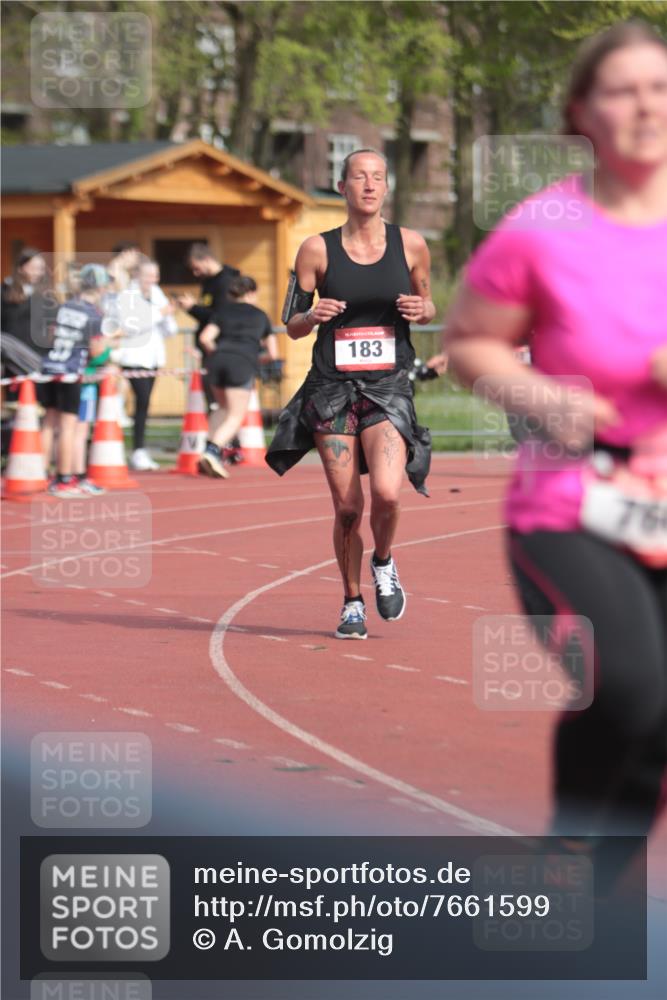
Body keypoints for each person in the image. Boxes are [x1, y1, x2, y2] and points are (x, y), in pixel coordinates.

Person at [444, 21, 667, 843]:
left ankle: (582, 906)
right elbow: (469, 342)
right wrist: (541, 395)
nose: (645, 105)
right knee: (631, 688)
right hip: (574, 504)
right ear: (582, 113)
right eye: (622, 90)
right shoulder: (545, 227)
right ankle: (566, 871)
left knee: (656, 729)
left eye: (658, 86)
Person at [266, 148, 435, 640]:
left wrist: (419, 310)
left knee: (386, 493)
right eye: (359, 177)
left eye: (377, 177)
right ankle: (352, 601)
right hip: (332, 391)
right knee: (347, 508)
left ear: (386, 188)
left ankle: (383, 561)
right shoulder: (316, 249)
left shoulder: (411, 244)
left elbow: (428, 304)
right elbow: (291, 322)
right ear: (341, 186)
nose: (368, 185)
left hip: (386, 388)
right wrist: (311, 317)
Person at [197, 275, 278, 478]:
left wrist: (217, 354)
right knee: (235, 415)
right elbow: (273, 353)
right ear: (252, 293)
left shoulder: (222, 311)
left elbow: (205, 338)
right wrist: (254, 359)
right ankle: (212, 451)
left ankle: (206, 451)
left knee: (222, 408)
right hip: (241, 362)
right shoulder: (260, 316)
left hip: (217, 361)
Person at [41, 264, 110, 497]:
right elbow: (96, 350)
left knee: (49, 423)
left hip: (51, 366)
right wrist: (110, 346)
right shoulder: (93, 314)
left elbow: (51, 335)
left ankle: (40, 474)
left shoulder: (64, 306)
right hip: (71, 372)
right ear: (100, 287)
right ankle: (63, 479)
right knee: (69, 427)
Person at [115, 259, 178, 470]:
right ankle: (137, 450)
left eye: (155, 276)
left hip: (153, 358)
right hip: (133, 358)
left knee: (144, 403)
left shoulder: (157, 294)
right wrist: (159, 314)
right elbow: (131, 326)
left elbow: (170, 328)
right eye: (148, 276)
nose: (152, 280)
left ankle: (139, 450)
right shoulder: (127, 295)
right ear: (137, 275)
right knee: (140, 401)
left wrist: (167, 316)